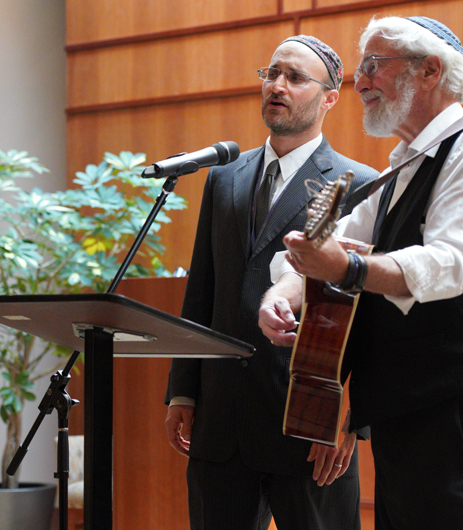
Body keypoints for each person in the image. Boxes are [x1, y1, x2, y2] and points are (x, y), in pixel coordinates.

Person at [259, 16, 463, 530]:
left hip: (461, 400)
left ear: (430, 70)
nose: (360, 80)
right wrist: (279, 295)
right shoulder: (401, 169)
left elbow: (450, 263)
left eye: (374, 65)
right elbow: (328, 244)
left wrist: (345, 267)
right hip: (402, 402)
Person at [164, 35, 379, 530]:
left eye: (295, 78)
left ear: (329, 98)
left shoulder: (356, 183)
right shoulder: (225, 178)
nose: (277, 85)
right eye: (272, 73)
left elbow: (371, 314)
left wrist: (356, 421)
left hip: (307, 424)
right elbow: (203, 288)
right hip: (220, 423)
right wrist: (183, 392)